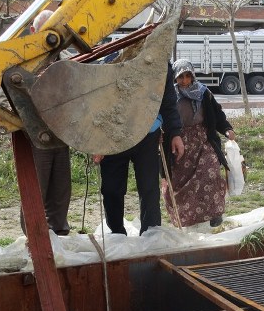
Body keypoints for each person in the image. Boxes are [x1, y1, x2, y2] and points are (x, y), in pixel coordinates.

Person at [94, 63, 184, 236]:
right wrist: (97, 141)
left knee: (149, 187)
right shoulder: (113, 60)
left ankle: (150, 233)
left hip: (147, 134)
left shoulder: (160, 64)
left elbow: (168, 101)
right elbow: (99, 102)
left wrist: (175, 133)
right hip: (115, 135)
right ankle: (116, 233)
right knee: (112, 189)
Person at [163, 59, 236, 228]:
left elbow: (217, 115)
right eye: (181, 76)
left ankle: (214, 214)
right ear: (174, 77)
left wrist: (226, 129)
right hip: (178, 144)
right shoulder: (169, 96)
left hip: (202, 141)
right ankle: (187, 219)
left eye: (188, 76)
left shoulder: (203, 93)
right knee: (178, 185)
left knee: (211, 174)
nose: (185, 81)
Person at [20, 10, 72, 236]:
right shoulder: (22, 61)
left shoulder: (66, 58)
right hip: (36, 136)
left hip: (61, 134)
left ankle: (59, 231)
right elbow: (6, 98)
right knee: (36, 190)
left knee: (61, 189)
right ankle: (34, 236)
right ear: (33, 32)